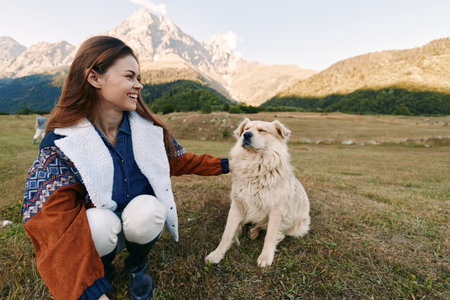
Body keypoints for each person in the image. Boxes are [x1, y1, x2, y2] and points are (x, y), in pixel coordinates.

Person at [23, 36, 229, 300]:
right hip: (100, 228)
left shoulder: (150, 131)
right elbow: (51, 217)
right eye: (130, 76)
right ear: (95, 78)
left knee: (151, 208)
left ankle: (137, 264)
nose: (139, 85)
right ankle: (101, 268)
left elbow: (179, 160)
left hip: (136, 220)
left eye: (139, 77)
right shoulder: (62, 141)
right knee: (97, 223)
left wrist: (226, 164)